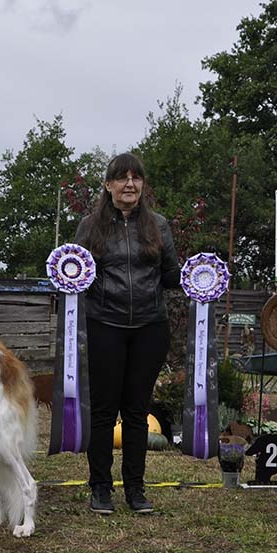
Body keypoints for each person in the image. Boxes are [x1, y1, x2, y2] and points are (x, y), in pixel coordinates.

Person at [74, 152, 180, 515]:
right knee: (103, 412)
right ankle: (100, 488)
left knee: (137, 412)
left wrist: (196, 278)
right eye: (122, 178)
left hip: (151, 326)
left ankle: (136, 489)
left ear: (143, 185)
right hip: (105, 324)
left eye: (136, 178)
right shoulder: (89, 226)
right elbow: (78, 278)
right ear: (108, 185)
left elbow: (170, 275)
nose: (129, 184)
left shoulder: (159, 226)